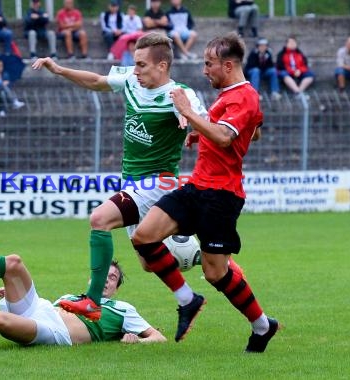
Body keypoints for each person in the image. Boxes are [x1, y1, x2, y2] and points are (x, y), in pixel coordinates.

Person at [32, 33, 214, 341]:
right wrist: (60, 70)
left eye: (142, 65)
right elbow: (96, 81)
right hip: (132, 182)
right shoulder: (132, 80)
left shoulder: (179, 94)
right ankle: (190, 293)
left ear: (162, 65)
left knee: (99, 219)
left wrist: (190, 122)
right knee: (147, 260)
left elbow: (205, 124)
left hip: (158, 182)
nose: (136, 69)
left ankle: (91, 299)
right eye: (135, 63)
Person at [129, 32, 279, 352]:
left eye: (209, 64)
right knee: (143, 236)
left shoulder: (245, 96)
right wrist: (202, 135)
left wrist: (189, 113)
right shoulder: (229, 96)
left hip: (221, 196)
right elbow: (254, 134)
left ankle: (263, 326)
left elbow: (227, 137)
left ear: (227, 65)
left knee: (215, 273)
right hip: (197, 186)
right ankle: (188, 300)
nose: (204, 70)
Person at [0, 253, 166, 348]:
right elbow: (41, 307)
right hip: (41, 308)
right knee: (12, 262)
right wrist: (12, 289)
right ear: (91, 280)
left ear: (117, 288)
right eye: (103, 275)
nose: (107, 280)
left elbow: (158, 337)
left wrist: (136, 341)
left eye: (113, 278)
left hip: (56, 333)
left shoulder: (122, 309)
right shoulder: (70, 297)